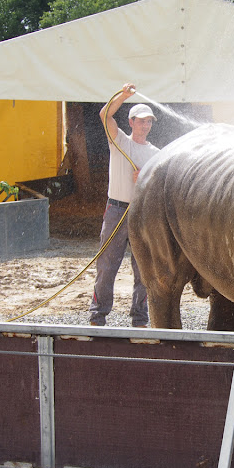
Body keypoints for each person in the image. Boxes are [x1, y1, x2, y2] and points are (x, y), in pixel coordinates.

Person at [88, 83, 160, 327]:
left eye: (149, 121)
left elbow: (159, 188)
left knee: (143, 270)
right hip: (116, 210)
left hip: (141, 214)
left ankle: (139, 318)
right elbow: (105, 114)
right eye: (141, 121)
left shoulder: (156, 153)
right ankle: (98, 316)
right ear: (131, 122)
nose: (146, 125)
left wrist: (145, 181)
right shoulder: (119, 141)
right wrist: (123, 95)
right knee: (107, 265)